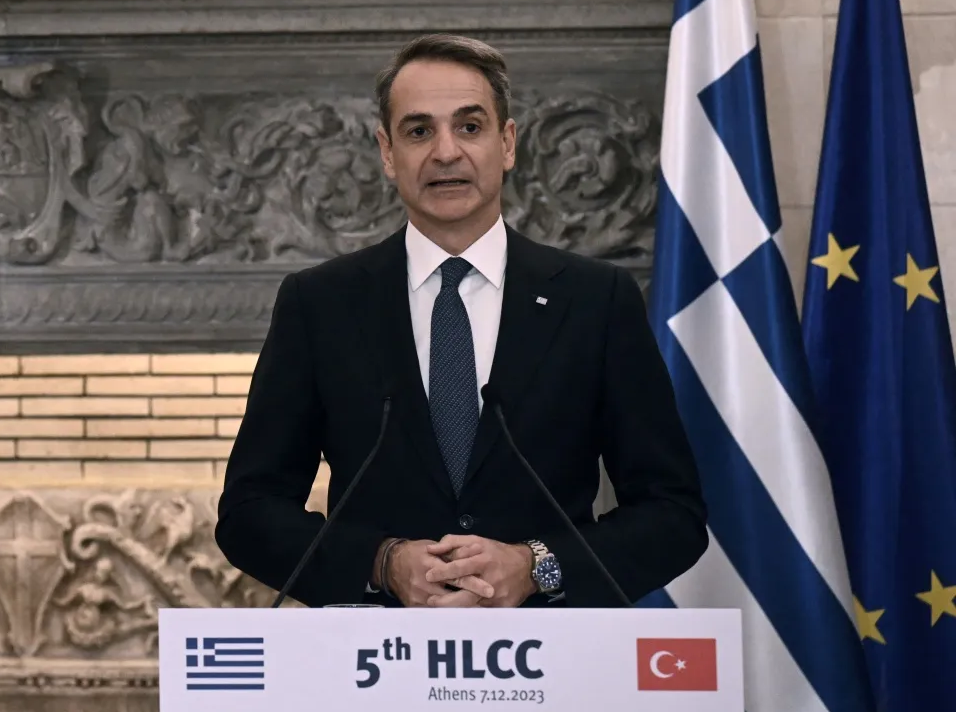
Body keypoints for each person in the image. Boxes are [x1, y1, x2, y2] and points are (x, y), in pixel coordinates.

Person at [217, 34, 707, 608]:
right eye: (419, 130)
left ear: (507, 143)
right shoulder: (320, 303)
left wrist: (537, 567)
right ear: (386, 151)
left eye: (469, 127)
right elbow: (250, 513)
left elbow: (672, 514)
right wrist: (382, 562)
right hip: (374, 668)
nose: (445, 151)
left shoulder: (596, 300)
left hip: (551, 666)